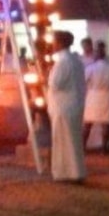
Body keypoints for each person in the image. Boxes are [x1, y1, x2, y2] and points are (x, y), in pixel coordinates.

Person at [46, 30, 87, 183]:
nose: (52, 44)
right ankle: (75, 171)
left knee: (64, 142)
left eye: (54, 41)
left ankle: (68, 173)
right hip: (73, 105)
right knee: (73, 141)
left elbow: (55, 84)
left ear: (60, 43)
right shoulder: (76, 61)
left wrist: (47, 76)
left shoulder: (63, 62)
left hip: (63, 107)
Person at [83, 40, 109, 152]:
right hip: (107, 96)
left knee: (88, 123)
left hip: (93, 96)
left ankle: (83, 146)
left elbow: (84, 80)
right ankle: (104, 148)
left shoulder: (90, 68)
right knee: (106, 124)